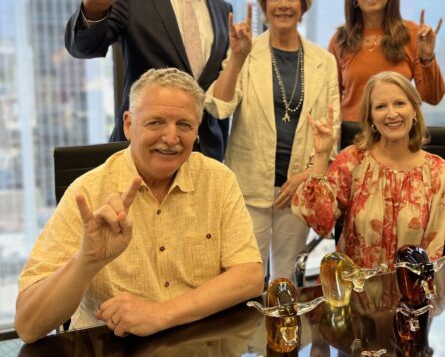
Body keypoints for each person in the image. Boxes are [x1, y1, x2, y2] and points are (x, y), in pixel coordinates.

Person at [15, 68, 263, 343]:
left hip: (198, 341)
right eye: (156, 123)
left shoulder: (219, 180)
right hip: (112, 345)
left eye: (184, 125)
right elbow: (28, 326)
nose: (171, 138)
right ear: (129, 124)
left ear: (197, 130)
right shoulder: (88, 192)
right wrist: (86, 260)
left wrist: (160, 314)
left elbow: (249, 276)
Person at [65, 0, 231, 161]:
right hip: (143, 153)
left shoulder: (222, 8)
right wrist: (95, 7)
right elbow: (84, 48)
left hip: (205, 156)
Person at [205, 0, 340, 280]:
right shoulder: (246, 53)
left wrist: (305, 176)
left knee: (285, 278)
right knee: (245, 277)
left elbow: (331, 130)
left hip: (297, 187)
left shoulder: (325, 61)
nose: (283, 4)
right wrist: (237, 58)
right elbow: (219, 107)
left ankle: (282, 329)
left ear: (303, 7)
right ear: (264, 7)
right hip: (250, 185)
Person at [292, 71, 445, 269]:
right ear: (371, 118)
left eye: (400, 103)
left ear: (414, 111)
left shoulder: (439, 171)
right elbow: (319, 221)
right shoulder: (353, 161)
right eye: (380, 106)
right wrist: (322, 155)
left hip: (409, 292)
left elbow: (433, 251)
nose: (392, 114)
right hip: (354, 290)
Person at [328, 0, 445, 121]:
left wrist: (427, 58)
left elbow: (433, 98)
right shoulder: (340, 40)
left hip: (398, 138)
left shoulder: (412, 34)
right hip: (353, 140)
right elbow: (330, 102)